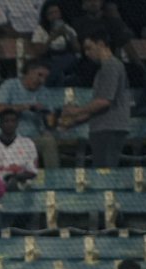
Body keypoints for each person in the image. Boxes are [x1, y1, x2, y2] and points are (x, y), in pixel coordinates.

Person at [58, 28, 129, 168]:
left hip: (109, 129)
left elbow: (104, 102)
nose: (87, 53)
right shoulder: (105, 68)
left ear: (101, 44)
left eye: (89, 48)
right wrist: (75, 122)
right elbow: (98, 108)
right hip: (105, 128)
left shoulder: (110, 66)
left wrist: (75, 111)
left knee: (104, 173)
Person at [0, 109, 38, 189]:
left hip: (20, 187)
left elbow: (33, 172)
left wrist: (15, 177)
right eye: (6, 121)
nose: (10, 124)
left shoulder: (28, 143)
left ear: (17, 124)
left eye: (13, 121)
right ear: (0, 124)